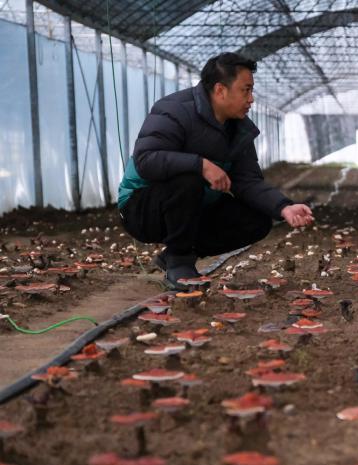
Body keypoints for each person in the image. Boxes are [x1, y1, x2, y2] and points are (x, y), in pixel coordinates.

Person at [118, 52, 313, 289]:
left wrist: (283, 207)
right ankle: (179, 262)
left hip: (193, 207)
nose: (251, 99)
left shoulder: (238, 129)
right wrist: (200, 164)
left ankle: (177, 254)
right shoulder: (174, 110)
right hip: (142, 208)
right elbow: (146, 160)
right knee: (188, 178)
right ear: (220, 90)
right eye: (246, 90)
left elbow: (247, 181)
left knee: (257, 221)